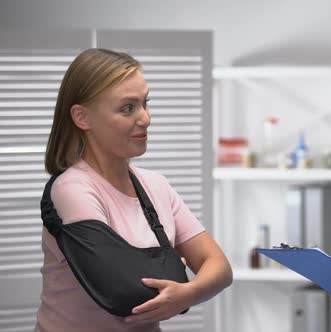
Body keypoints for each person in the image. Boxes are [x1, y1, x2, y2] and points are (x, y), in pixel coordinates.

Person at [36, 48, 232, 331]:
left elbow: (220, 267)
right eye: (127, 108)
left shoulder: (157, 186)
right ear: (82, 118)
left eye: (145, 103)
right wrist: (176, 274)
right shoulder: (72, 189)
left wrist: (185, 293)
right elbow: (121, 291)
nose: (146, 118)